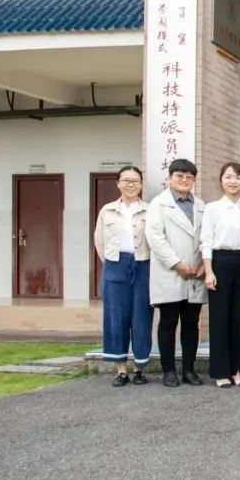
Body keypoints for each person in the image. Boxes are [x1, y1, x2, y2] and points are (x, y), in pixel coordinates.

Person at [145, 158, 206, 387]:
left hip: (196, 273)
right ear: (170, 178)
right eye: (180, 176)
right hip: (170, 272)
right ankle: (169, 371)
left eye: (189, 177)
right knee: (168, 322)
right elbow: (155, 238)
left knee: (191, 323)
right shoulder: (158, 204)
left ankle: (189, 370)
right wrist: (177, 263)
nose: (184, 180)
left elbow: (207, 236)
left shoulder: (201, 205)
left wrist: (204, 264)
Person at [93, 165, 153, 387]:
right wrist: (113, 263)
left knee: (141, 317)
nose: (130, 184)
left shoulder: (149, 210)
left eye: (135, 181)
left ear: (141, 184)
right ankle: (120, 370)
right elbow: (99, 241)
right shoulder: (107, 210)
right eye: (126, 180)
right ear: (118, 183)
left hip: (143, 264)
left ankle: (139, 369)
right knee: (116, 318)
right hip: (115, 265)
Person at [201, 162, 240, 389]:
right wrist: (209, 271)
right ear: (221, 180)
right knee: (220, 319)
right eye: (229, 177)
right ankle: (220, 371)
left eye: (238, 177)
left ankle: (237, 370)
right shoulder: (212, 208)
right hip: (220, 263)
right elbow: (206, 241)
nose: (233, 181)